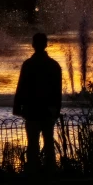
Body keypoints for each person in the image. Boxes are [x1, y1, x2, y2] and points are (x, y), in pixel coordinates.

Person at [13, 32, 63, 175]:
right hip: (48, 110)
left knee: (33, 144)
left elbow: (21, 87)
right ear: (46, 44)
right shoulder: (54, 65)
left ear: (33, 45)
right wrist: (56, 109)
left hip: (32, 110)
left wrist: (17, 107)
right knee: (49, 144)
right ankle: (51, 171)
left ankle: (33, 172)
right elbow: (57, 90)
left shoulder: (28, 64)